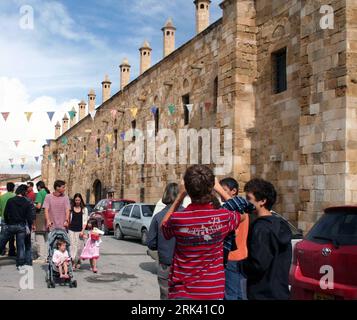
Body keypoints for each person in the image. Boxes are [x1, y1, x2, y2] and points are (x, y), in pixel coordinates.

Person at [160, 165, 246, 300]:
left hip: (182, 292)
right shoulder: (223, 217)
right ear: (211, 188)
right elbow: (242, 214)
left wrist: (179, 197)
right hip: (212, 291)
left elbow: (164, 227)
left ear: (188, 189)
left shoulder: (179, 219)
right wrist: (220, 190)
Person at [242, 178, 292, 300]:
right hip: (279, 291)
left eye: (249, 198)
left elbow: (258, 264)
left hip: (262, 293)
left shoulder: (261, 228)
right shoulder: (281, 224)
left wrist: (241, 265)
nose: (246, 202)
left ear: (262, 201)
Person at [220, 177, 254, 300]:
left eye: (224, 190)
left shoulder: (238, 209)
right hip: (241, 256)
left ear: (233, 191)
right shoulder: (241, 208)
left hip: (232, 257)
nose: (220, 194)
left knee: (231, 294)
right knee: (240, 293)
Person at [147, 183, 182, 300]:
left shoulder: (158, 217)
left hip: (165, 264)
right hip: (185, 266)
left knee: (165, 295)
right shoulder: (188, 214)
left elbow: (151, 243)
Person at [0, 185, 35, 270]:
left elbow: (5, 213)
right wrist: (30, 225)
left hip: (11, 225)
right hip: (21, 225)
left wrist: (8, 222)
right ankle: (20, 264)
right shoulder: (26, 202)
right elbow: (29, 216)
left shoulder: (10, 200)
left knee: (2, 242)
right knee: (20, 246)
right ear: (24, 192)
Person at [68, 193, 88, 270]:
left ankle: (78, 261)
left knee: (79, 247)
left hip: (80, 230)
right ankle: (73, 263)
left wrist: (82, 231)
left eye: (79, 200)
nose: (77, 201)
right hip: (71, 229)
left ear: (81, 200)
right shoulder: (71, 208)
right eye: (76, 200)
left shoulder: (84, 209)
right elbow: (68, 218)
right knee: (72, 246)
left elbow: (85, 221)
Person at [33, 181, 50, 263]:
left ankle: (41, 257)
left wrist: (33, 205)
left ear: (39, 187)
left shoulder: (40, 193)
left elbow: (39, 206)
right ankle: (46, 256)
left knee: (39, 237)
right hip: (48, 216)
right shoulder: (47, 193)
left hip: (40, 215)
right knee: (47, 238)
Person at [0, 182, 16, 256]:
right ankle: (11, 251)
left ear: (7, 188)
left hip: (3, 218)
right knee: (12, 236)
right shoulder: (15, 196)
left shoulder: (2, 197)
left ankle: (2, 250)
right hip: (13, 219)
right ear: (13, 188)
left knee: (3, 236)